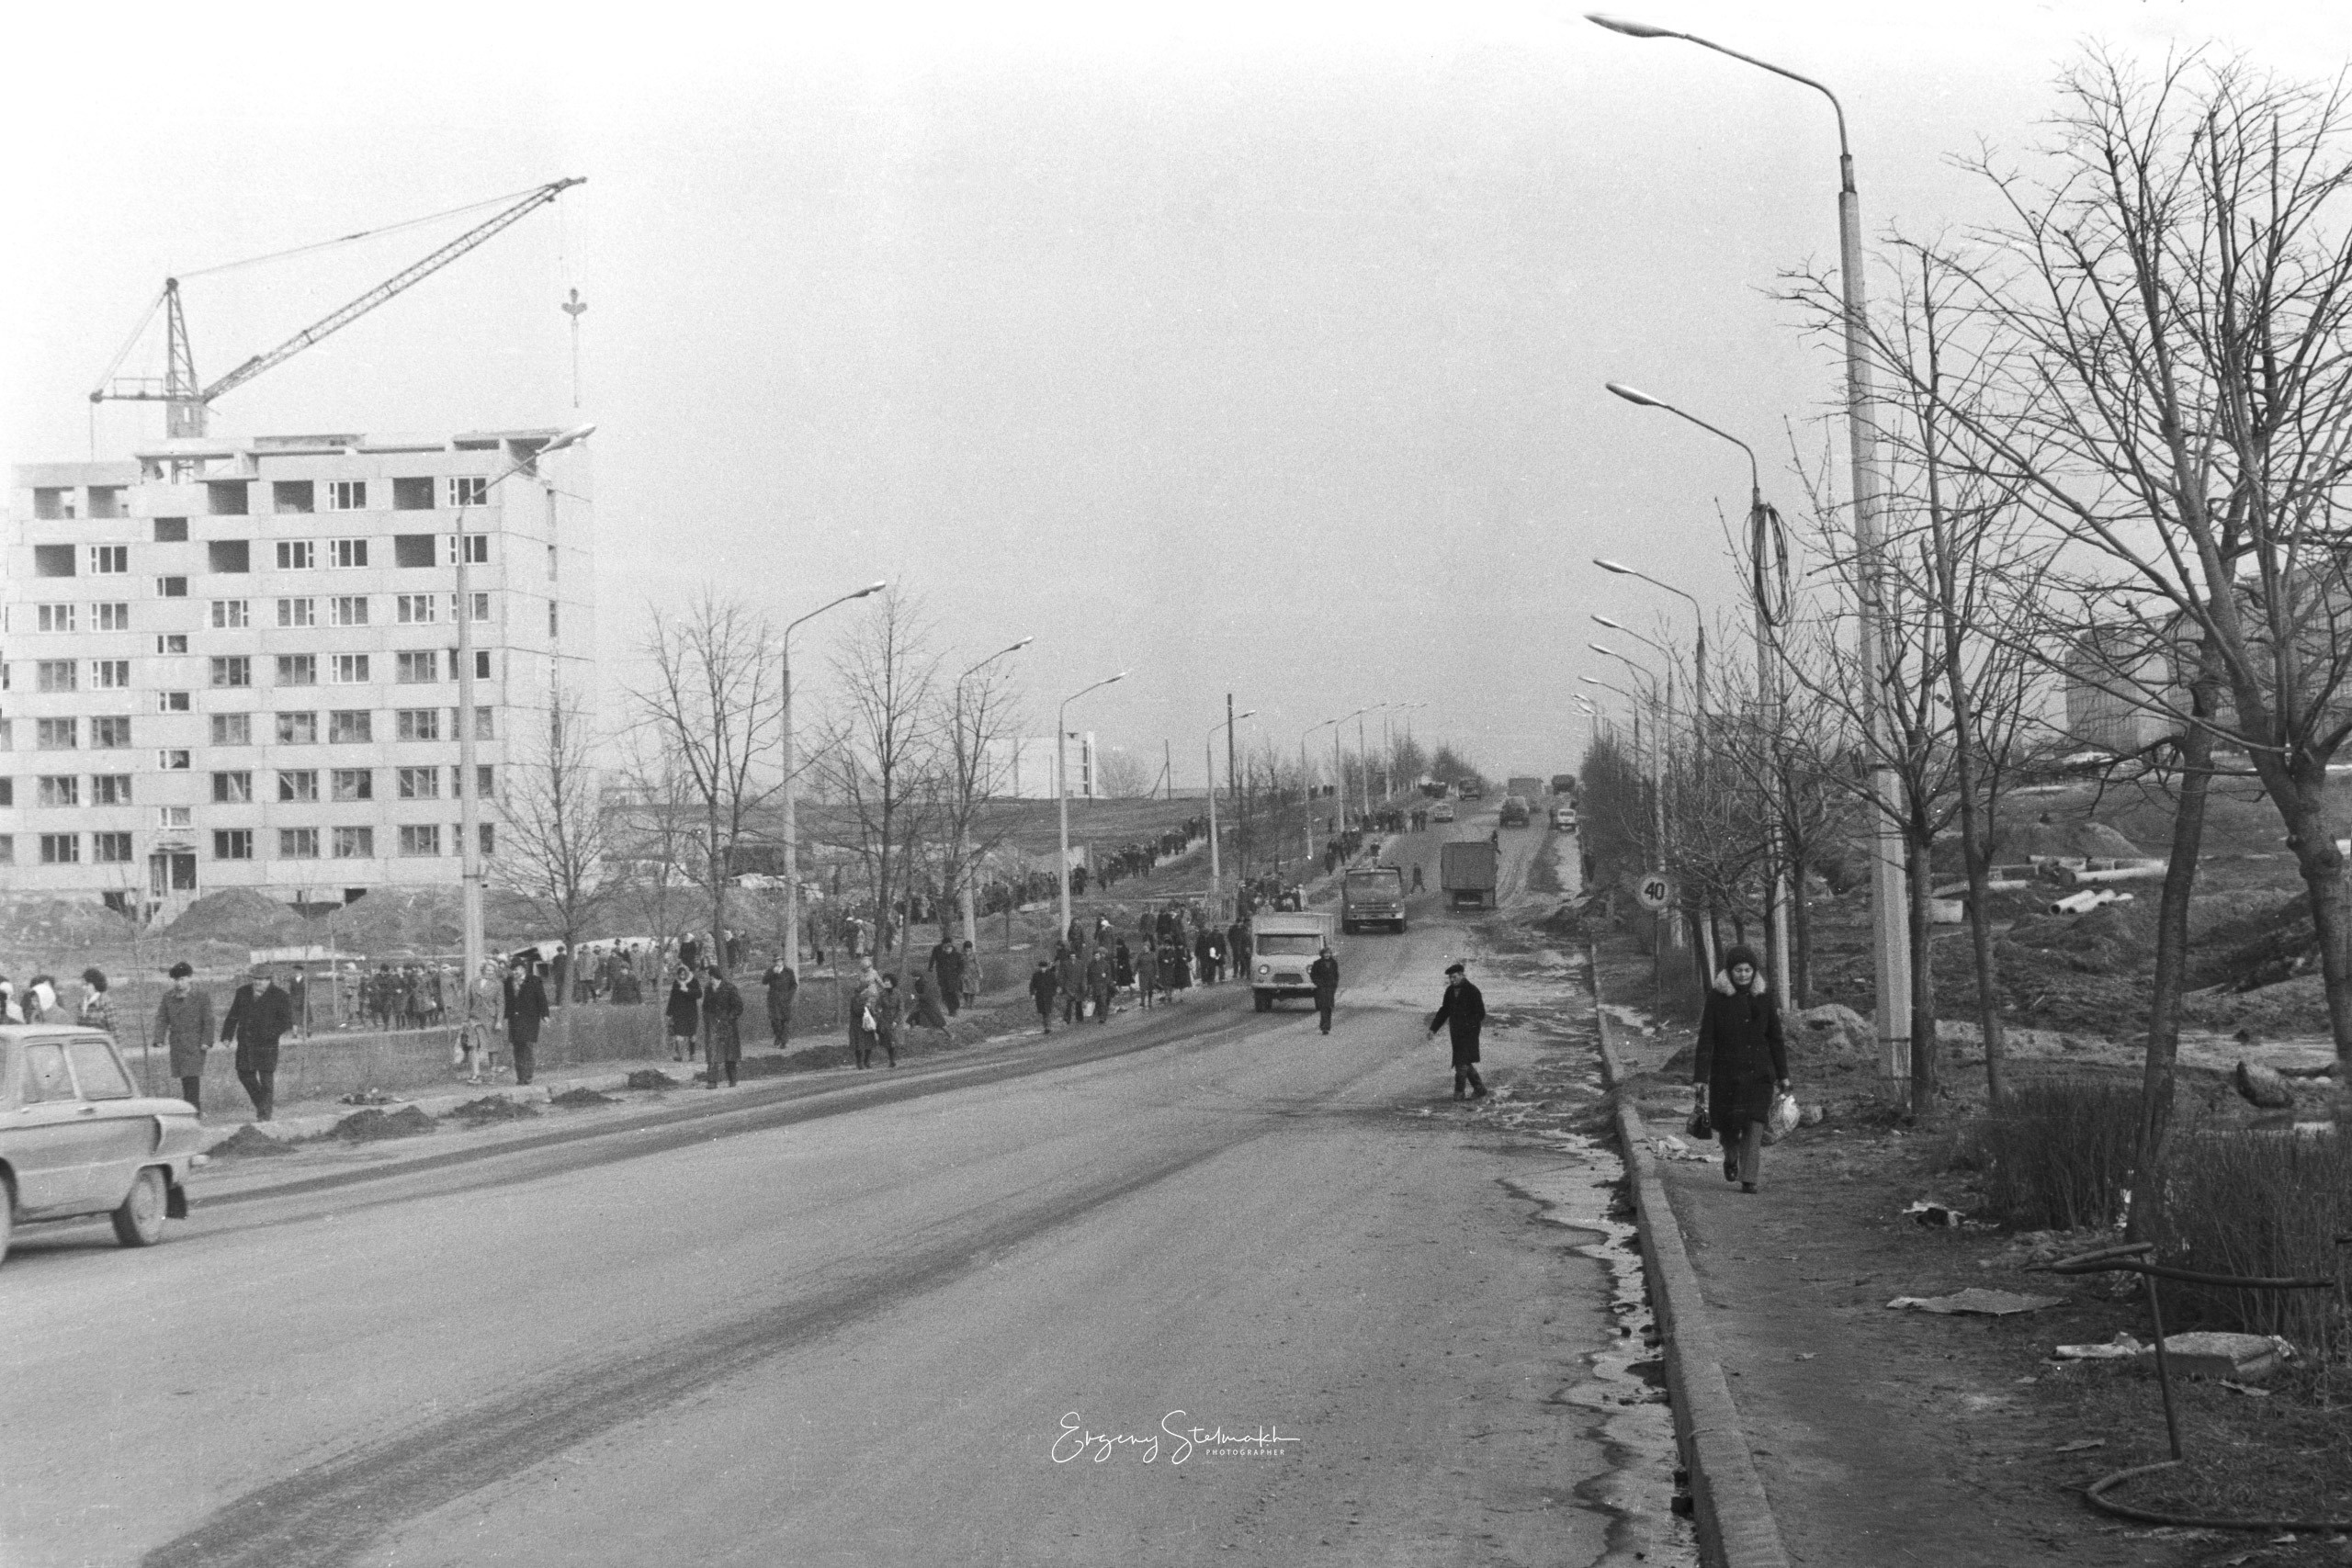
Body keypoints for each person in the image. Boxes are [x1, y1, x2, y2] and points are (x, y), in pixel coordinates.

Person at [1691, 944, 1790, 1194]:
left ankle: (1749, 1178)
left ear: (1754, 971)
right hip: (1726, 1074)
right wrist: (1700, 1077)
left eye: (1747, 970)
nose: (1743, 975)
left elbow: (1775, 1039)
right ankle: (1731, 1155)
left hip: (1759, 1074)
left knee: (1755, 1123)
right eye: (1738, 970)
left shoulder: (1764, 998)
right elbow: (1706, 1038)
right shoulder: (1716, 998)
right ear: (1730, 971)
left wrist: (1783, 1075)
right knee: (1728, 1127)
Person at [220, 967, 294, 1122]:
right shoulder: (242, 992)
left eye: (261, 980)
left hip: (267, 1044)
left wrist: (271, 1034)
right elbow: (233, 1016)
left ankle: (264, 1115)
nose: (256, 982)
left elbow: (286, 1021)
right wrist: (227, 1035)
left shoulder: (280, 996)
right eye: (254, 979)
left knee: (266, 1077)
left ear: (269, 980)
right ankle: (263, 1105)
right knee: (244, 1074)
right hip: (246, 1042)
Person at [154, 962, 214, 1112]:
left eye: (182, 979)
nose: (179, 983)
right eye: (176, 980)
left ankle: (194, 1111)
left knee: (192, 1077)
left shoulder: (201, 996)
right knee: (185, 1078)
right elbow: (162, 1018)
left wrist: (207, 1040)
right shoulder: (168, 997)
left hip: (195, 1043)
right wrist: (159, 1038)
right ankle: (193, 1110)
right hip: (178, 1043)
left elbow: (209, 1020)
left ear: (190, 978)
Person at [1426, 961, 1487, 1100]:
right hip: (1456, 1033)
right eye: (1450, 978)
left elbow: (1480, 1013)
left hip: (1469, 1033)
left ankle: (1459, 1093)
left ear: (1461, 975)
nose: (1452, 980)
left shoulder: (1472, 991)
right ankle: (1479, 1088)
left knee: (1461, 1063)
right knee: (1464, 1061)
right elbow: (1444, 1011)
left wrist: (1469, 1026)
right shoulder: (1449, 991)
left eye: (1454, 977)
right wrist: (1433, 1029)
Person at [506, 961, 550, 1085]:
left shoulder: (534, 980)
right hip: (514, 1020)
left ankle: (528, 1075)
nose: (515, 972)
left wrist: (545, 1015)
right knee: (517, 1047)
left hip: (530, 1019)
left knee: (528, 1046)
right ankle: (520, 1077)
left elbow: (541, 998)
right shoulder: (508, 982)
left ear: (523, 969)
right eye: (513, 970)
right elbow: (506, 1000)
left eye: (517, 969)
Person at [702, 965, 743, 1088]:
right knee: (712, 1052)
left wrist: (729, 1018)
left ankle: (732, 1078)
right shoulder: (708, 989)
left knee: (730, 1053)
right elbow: (705, 1007)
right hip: (713, 1024)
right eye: (710, 978)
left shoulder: (730, 988)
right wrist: (708, 1020)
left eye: (712, 977)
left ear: (717, 976)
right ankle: (712, 1081)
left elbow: (738, 1007)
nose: (711, 980)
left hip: (728, 1024)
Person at [665, 965, 702, 1063]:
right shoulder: (676, 983)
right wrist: (669, 1012)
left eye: (683, 974)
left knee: (692, 1034)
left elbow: (699, 994)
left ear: (687, 973)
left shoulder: (694, 981)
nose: (682, 976)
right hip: (679, 1012)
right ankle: (679, 1055)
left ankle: (692, 1054)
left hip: (691, 1012)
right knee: (679, 1033)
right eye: (680, 974)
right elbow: (672, 998)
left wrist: (688, 991)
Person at [763, 956, 798, 1050]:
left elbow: (794, 985)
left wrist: (789, 996)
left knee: (785, 1020)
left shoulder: (788, 971)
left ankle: (784, 1041)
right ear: (774, 962)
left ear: (783, 961)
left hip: (785, 1000)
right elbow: (764, 982)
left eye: (780, 960)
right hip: (773, 999)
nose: (779, 962)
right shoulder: (770, 970)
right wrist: (772, 974)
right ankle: (778, 1036)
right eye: (777, 960)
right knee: (774, 1020)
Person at [1308, 944, 1340, 1035]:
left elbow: (1336, 975)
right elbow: (1313, 975)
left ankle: (1326, 1025)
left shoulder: (1334, 963)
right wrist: (1317, 983)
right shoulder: (1317, 963)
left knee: (1329, 1007)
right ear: (1322, 954)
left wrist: (1335, 984)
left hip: (1331, 987)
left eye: (1329, 953)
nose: (1327, 955)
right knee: (1323, 1006)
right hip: (1321, 987)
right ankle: (1325, 1027)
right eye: (1325, 953)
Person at [930, 939, 966, 1018]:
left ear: (952, 948)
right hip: (944, 979)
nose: (948, 950)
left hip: (954, 979)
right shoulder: (942, 957)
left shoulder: (957, 955)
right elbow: (939, 967)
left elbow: (962, 966)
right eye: (946, 949)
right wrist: (939, 976)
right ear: (944, 949)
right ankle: (951, 1011)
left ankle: (955, 1007)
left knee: (953, 994)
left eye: (949, 948)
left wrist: (957, 973)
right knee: (945, 995)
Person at [875, 974, 903, 1067]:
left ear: (892, 982)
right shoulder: (882, 994)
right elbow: (877, 1006)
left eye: (888, 981)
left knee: (895, 1040)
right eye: (885, 981)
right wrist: (879, 1013)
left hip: (895, 1018)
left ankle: (893, 1057)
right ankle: (891, 1060)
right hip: (885, 1019)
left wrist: (896, 1020)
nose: (886, 983)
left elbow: (901, 1009)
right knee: (888, 1040)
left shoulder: (898, 993)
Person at [78, 967, 117, 1035]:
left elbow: (114, 1030)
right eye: (82, 985)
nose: (83, 988)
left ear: (95, 984)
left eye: (87, 985)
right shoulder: (81, 1004)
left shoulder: (105, 1003)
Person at [1029, 958, 1059, 1034]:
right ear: (1040, 968)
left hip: (1049, 995)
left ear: (1046, 967)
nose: (1043, 969)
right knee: (1043, 1012)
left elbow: (1055, 984)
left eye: (1044, 967)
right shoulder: (1036, 975)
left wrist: (1054, 993)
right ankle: (1046, 1027)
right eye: (1042, 967)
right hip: (1040, 996)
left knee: (1047, 1011)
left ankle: (1047, 1027)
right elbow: (1032, 985)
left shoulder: (1051, 974)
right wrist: (1032, 994)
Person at [288, 965, 310, 1038]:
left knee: (305, 1016)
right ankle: (295, 1033)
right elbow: (291, 990)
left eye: (298, 971)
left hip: (303, 1000)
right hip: (294, 1000)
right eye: (295, 971)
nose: (297, 972)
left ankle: (307, 1031)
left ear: (301, 972)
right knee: (294, 1017)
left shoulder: (305, 979)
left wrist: (305, 998)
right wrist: (291, 999)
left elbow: (307, 990)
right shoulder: (292, 980)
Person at [958, 941, 979, 1010]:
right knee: (965, 989)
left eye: (969, 947)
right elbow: (959, 964)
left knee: (973, 989)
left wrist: (980, 972)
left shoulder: (974, 954)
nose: (968, 949)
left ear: (971, 948)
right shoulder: (962, 955)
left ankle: (972, 1004)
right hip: (964, 973)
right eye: (966, 947)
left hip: (973, 973)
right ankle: (966, 1003)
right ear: (964, 948)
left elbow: (977, 964)